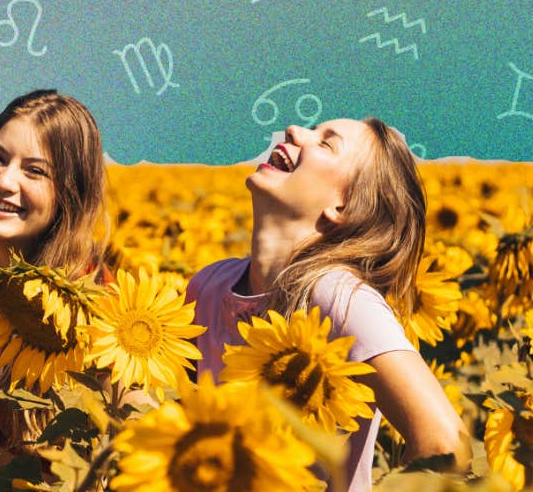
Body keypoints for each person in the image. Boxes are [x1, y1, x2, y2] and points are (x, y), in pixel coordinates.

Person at [187, 118, 470, 491]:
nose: (293, 131)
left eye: (325, 144)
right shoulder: (209, 285)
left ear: (344, 207)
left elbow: (445, 444)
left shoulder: (338, 297)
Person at [0, 89, 111, 438]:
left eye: (35, 171)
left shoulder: (98, 300)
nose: (4, 181)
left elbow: (121, 435)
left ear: (70, 195)